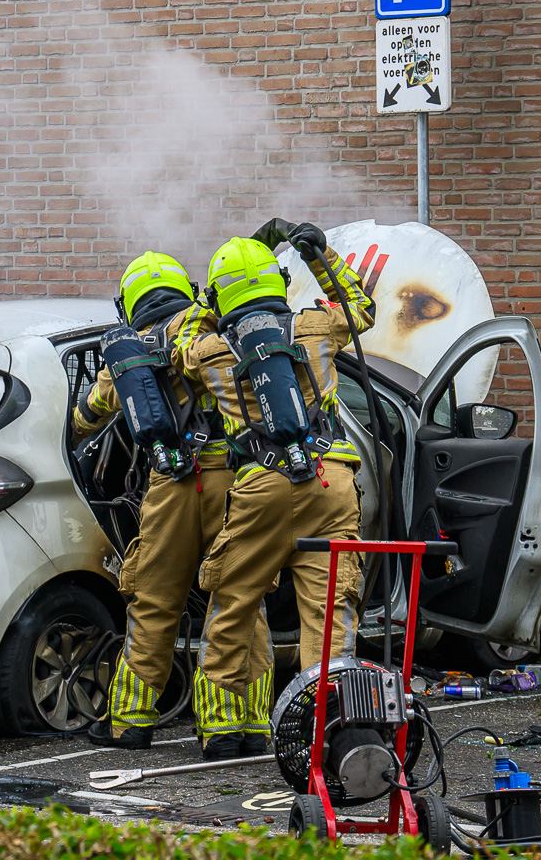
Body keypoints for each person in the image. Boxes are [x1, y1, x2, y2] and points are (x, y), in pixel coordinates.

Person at [74, 252, 274, 758]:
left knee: (154, 602)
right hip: (230, 478)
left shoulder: (127, 352)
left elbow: (87, 419)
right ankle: (237, 727)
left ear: (130, 303)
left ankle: (129, 722)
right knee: (238, 598)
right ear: (184, 287)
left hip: (170, 484)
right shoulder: (204, 325)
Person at [187, 220, 374, 736]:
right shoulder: (315, 327)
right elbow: (363, 310)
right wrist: (319, 256)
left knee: (233, 599)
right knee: (330, 607)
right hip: (329, 482)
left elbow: (182, 342)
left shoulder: (211, 351)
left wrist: (209, 302)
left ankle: (223, 728)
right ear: (280, 285)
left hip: (259, 489)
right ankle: (332, 725)